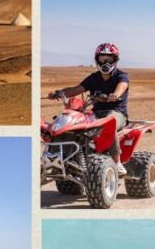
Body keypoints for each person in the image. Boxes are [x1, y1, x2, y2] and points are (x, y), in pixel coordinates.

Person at [48, 42, 130, 175]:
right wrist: (59, 93)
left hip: (117, 113)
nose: (105, 63)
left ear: (115, 60)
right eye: (102, 59)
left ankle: (117, 162)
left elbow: (123, 86)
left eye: (109, 59)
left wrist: (115, 94)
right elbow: (76, 90)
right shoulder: (93, 78)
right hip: (95, 113)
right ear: (97, 59)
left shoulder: (121, 76)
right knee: (72, 124)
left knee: (109, 122)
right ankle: (61, 158)